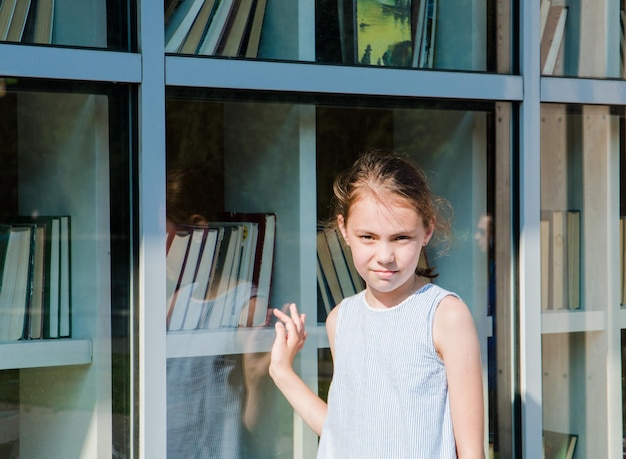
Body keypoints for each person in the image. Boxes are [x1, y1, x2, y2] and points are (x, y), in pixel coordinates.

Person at [269, 151, 485, 458]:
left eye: (400, 238)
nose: (384, 255)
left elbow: (471, 451)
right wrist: (281, 371)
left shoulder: (444, 315)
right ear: (343, 229)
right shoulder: (340, 318)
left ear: (427, 231)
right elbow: (342, 432)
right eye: (368, 236)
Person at [166, 162, 276, 459]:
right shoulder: (174, 303)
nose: (150, 247)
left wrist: (256, 376)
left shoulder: (244, 306)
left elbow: (259, 422)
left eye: (160, 234)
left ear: (197, 231)